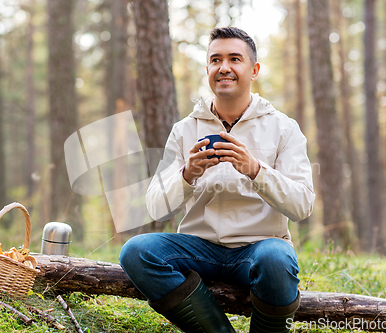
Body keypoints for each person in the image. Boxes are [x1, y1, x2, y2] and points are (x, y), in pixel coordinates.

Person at [119, 27, 315, 333]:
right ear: (208, 70)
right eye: (215, 60)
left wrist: (255, 170)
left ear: (254, 70)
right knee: (136, 251)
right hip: (199, 248)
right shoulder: (185, 129)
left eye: (234, 59)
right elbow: (155, 207)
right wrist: (187, 175)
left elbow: (302, 206)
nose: (224, 67)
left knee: (277, 258)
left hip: (259, 248)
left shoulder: (283, 128)